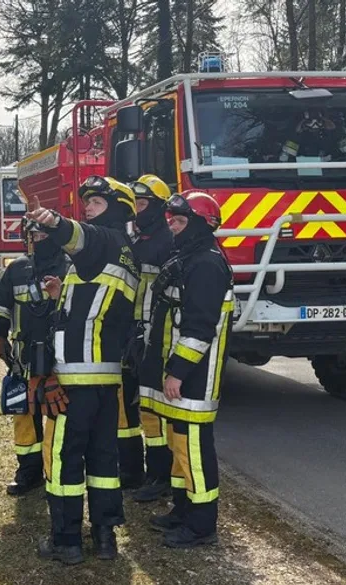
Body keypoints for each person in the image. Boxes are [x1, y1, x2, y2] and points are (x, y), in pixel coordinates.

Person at [23, 175, 140, 565]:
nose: (87, 207)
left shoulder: (103, 240)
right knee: (104, 460)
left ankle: (66, 541)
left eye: (97, 202)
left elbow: (77, 235)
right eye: (86, 201)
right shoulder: (124, 253)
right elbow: (93, 310)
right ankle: (106, 539)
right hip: (106, 380)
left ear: (117, 209)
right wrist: (61, 293)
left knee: (64, 460)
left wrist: (50, 219)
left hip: (74, 381)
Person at [137, 191, 234, 549]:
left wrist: (177, 371)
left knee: (193, 449)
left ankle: (201, 525)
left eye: (179, 222)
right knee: (180, 445)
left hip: (196, 376)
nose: (173, 229)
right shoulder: (188, 256)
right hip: (181, 373)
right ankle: (182, 510)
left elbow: (199, 327)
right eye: (172, 222)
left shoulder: (206, 264)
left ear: (198, 224)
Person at [0, 226, 70, 496]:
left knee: (57, 413)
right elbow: (1, 304)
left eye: (44, 236)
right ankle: (28, 472)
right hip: (23, 357)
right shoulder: (17, 268)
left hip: (61, 358)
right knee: (23, 415)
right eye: (34, 237)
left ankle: (55, 474)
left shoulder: (72, 267)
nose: (38, 241)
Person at [122, 175, 176, 504]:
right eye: (135, 204)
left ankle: (161, 474)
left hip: (157, 337)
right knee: (138, 407)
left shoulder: (168, 241)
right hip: (133, 335)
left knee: (156, 409)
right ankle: (139, 471)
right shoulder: (137, 238)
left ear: (157, 207)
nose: (137, 210)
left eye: (142, 204)